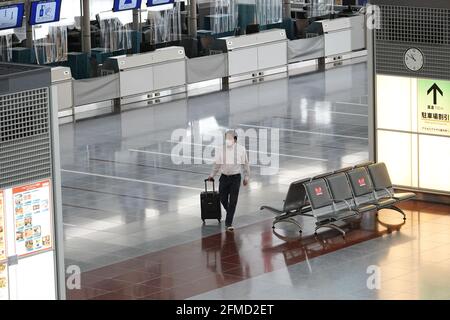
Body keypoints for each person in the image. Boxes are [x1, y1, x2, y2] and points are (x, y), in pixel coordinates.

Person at [208, 130, 250, 232]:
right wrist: (212, 175)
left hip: (235, 178)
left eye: (230, 139)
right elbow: (217, 164)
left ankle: (228, 223)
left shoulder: (241, 149)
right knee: (222, 198)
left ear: (235, 139)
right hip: (224, 178)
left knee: (233, 201)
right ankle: (230, 213)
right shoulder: (221, 149)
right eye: (226, 138)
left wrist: (246, 177)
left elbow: (245, 164)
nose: (228, 141)